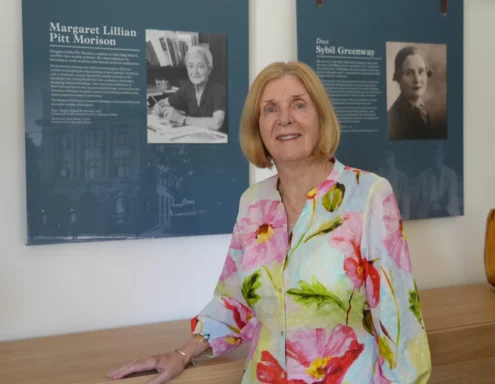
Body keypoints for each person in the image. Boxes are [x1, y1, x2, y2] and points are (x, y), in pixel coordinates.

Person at [108, 61, 432, 383]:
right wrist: (181, 354)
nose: (285, 118)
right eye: (270, 109)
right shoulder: (253, 202)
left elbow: (401, 326)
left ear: (321, 116)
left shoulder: (370, 195)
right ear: (258, 127)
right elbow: (234, 299)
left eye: (299, 105)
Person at [153, 45, 227, 133]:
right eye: (191, 66)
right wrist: (159, 107)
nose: (195, 72)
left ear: (209, 69)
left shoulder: (219, 89)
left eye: (201, 66)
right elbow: (162, 103)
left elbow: (217, 123)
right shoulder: (187, 89)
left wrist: (182, 118)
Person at [387, 46, 444, 140]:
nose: (417, 80)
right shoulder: (392, 120)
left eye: (421, 71)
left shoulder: (425, 113)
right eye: (409, 73)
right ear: (398, 78)